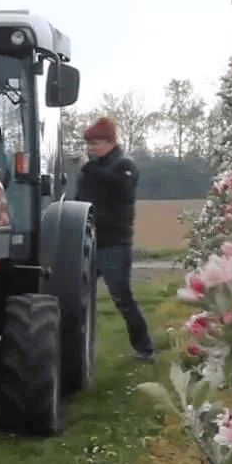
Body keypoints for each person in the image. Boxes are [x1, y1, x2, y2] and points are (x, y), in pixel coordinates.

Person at [76, 116, 154, 360]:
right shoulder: (92, 170)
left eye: (96, 143)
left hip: (115, 244)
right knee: (77, 293)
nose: (91, 148)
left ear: (110, 142)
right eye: (89, 144)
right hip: (90, 241)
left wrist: (88, 168)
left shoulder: (124, 166)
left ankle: (144, 348)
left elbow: (118, 186)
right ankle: (78, 346)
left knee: (122, 298)